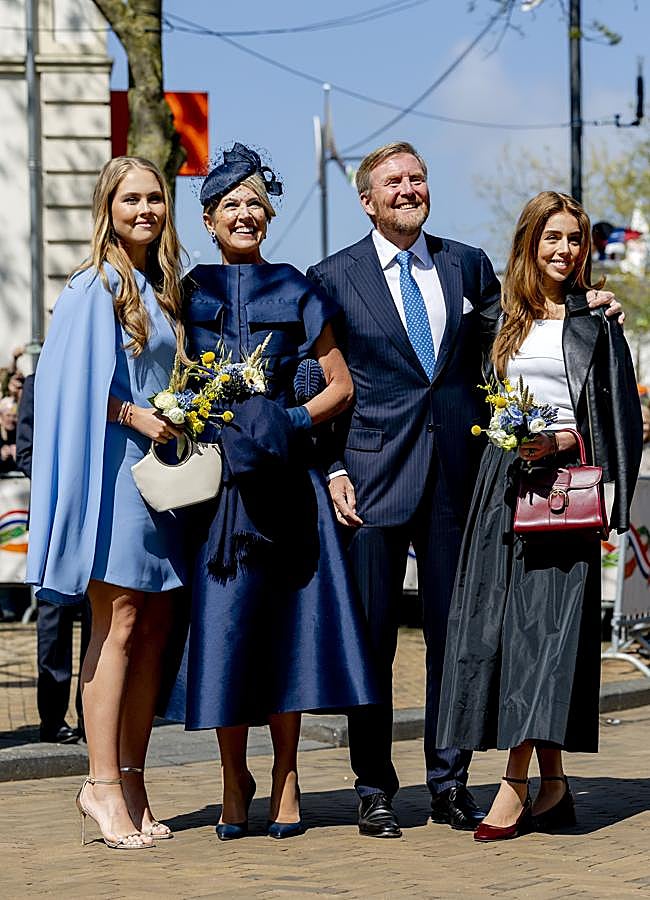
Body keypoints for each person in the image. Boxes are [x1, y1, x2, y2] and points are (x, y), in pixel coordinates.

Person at [306, 142, 623, 839]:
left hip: (463, 482)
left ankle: (448, 783)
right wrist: (332, 469)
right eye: (393, 181)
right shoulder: (331, 276)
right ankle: (373, 787)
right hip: (371, 483)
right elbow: (315, 378)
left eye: (418, 178)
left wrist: (589, 301)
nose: (408, 189)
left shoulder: (467, 265)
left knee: (462, 637)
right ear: (367, 199)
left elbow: (530, 326)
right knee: (372, 641)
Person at [167, 143, 377, 841]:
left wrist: (287, 420)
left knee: (287, 631)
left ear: (270, 215)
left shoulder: (297, 288)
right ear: (207, 219)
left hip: (289, 491)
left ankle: (286, 773)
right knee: (225, 633)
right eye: (230, 204)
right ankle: (234, 777)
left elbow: (340, 385)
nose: (244, 214)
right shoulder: (183, 292)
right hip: (215, 494)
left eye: (255, 204)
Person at [437, 191, 642, 842]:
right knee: (501, 632)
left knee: (548, 635)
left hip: (565, 488)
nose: (565, 250)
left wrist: (567, 445)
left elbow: (620, 420)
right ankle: (553, 785)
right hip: (500, 485)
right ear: (529, 241)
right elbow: (464, 399)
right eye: (552, 237)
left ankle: (513, 781)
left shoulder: (597, 320)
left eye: (575, 239)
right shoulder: (493, 317)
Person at [26, 156, 188, 849]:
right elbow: (65, 387)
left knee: (152, 627)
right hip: (114, 475)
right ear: (108, 209)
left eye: (155, 198)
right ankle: (100, 786)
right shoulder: (93, 285)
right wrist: (133, 414)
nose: (145, 209)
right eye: (131, 199)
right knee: (116, 622)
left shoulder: (161, 286)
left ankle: (133, 778)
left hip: (162, 480)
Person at [16, 374, 91, 744]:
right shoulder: (37, 383)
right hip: (53, 517)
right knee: (53, 621)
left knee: (98, 620)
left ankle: (92, 717)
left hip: (94, 517)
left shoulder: (98, 382)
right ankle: (52, 718)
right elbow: (25, 452)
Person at [0, 397, 18, 474]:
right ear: (1, 416)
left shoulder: (19, 435)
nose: (11, 419)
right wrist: (2, 456)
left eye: (14, 416)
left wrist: (18, 455)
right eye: (8, 415)